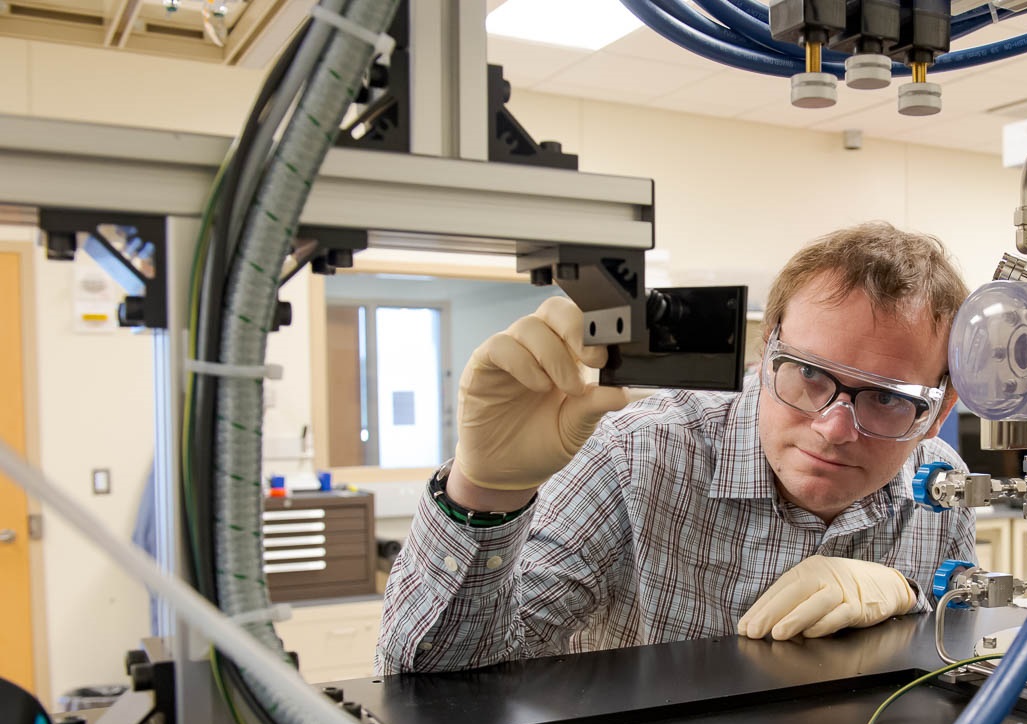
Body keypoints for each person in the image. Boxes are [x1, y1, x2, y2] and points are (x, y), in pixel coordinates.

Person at [377, 222, 976, 673]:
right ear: (767, 352)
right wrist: (484, 492)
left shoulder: (941, 484)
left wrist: (912, 598)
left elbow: (967, 659)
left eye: (888, 400)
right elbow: (434, 680)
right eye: (809, 375)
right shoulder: (639, 454)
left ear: (939, 412)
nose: (833, 427)